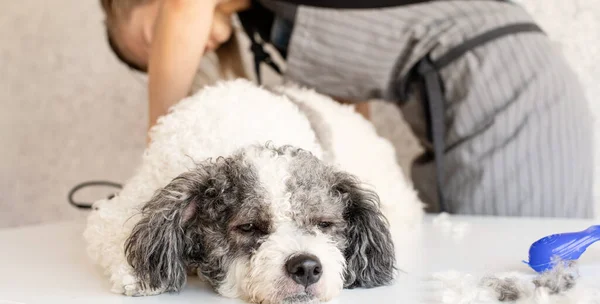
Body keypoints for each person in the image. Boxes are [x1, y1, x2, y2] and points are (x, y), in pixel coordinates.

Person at [100, 0, 595, 218]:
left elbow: (184, 7)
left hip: (505, 84)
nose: (181, 54)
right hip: (468, 94)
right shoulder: (271, 25)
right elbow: (346, 112)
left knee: (514, 278)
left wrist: (158, 151)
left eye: (154, 37)